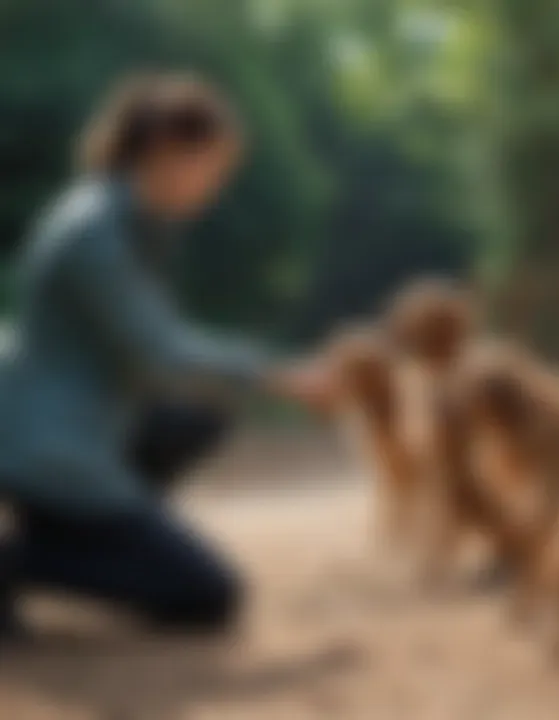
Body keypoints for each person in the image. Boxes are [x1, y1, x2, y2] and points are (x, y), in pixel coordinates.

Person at [0, 73, 333, 639]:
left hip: (75, 423)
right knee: (208, 595)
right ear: (166, 152)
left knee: (196, 420)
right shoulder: (96, 233)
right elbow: (161, 350)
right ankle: (26, 558)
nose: (216, 185)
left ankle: (83, 541)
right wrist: (275, 373)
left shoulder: (128, 219)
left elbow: (153, 348)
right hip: (47, 445)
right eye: (213, 167)